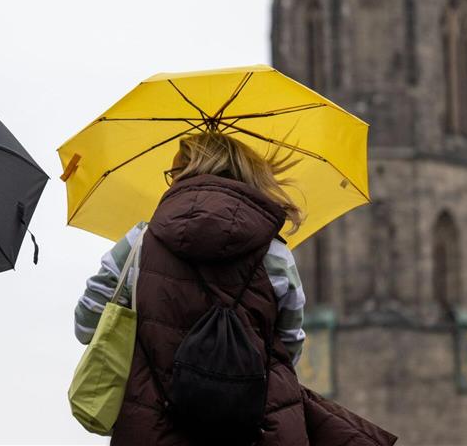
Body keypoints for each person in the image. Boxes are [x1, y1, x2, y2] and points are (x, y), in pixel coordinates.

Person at [75, 131, 308, 444]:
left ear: (186, 172)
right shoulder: (276, 253)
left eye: (173, 173)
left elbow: (86, 323)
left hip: (152, 426)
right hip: (250, 428)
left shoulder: (140, 242)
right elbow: (289, 345)